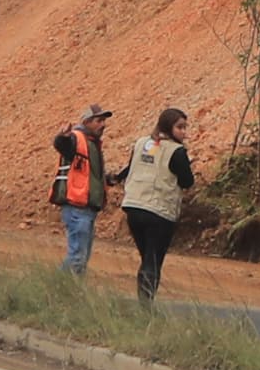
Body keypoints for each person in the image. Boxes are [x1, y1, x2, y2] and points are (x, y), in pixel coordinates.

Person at [116, 104, 194, 305]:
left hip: (133, 206)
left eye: (185, 127)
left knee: (147, 257)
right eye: (180, 127)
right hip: (159, 212)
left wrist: (114, 178)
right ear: (168, 127)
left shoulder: (142, 143)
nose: (184, 132)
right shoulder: (177, 152)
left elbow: (129, 169)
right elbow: (187, 181)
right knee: (153, 259)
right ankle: (146, 306)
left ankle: (144, 301)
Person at [51, 103, 113, 274]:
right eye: (99, 120)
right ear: (86, 121)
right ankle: (60, 288)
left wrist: (107, 180)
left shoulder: (92, 143)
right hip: (77, 207)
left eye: (103, 121)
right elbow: (62, 145)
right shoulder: (76, 139)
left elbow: (87, 174)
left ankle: (63, 288)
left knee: (81, 257)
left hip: (86, 208)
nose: (103, 124)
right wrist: (62, 137)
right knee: (77, 257)